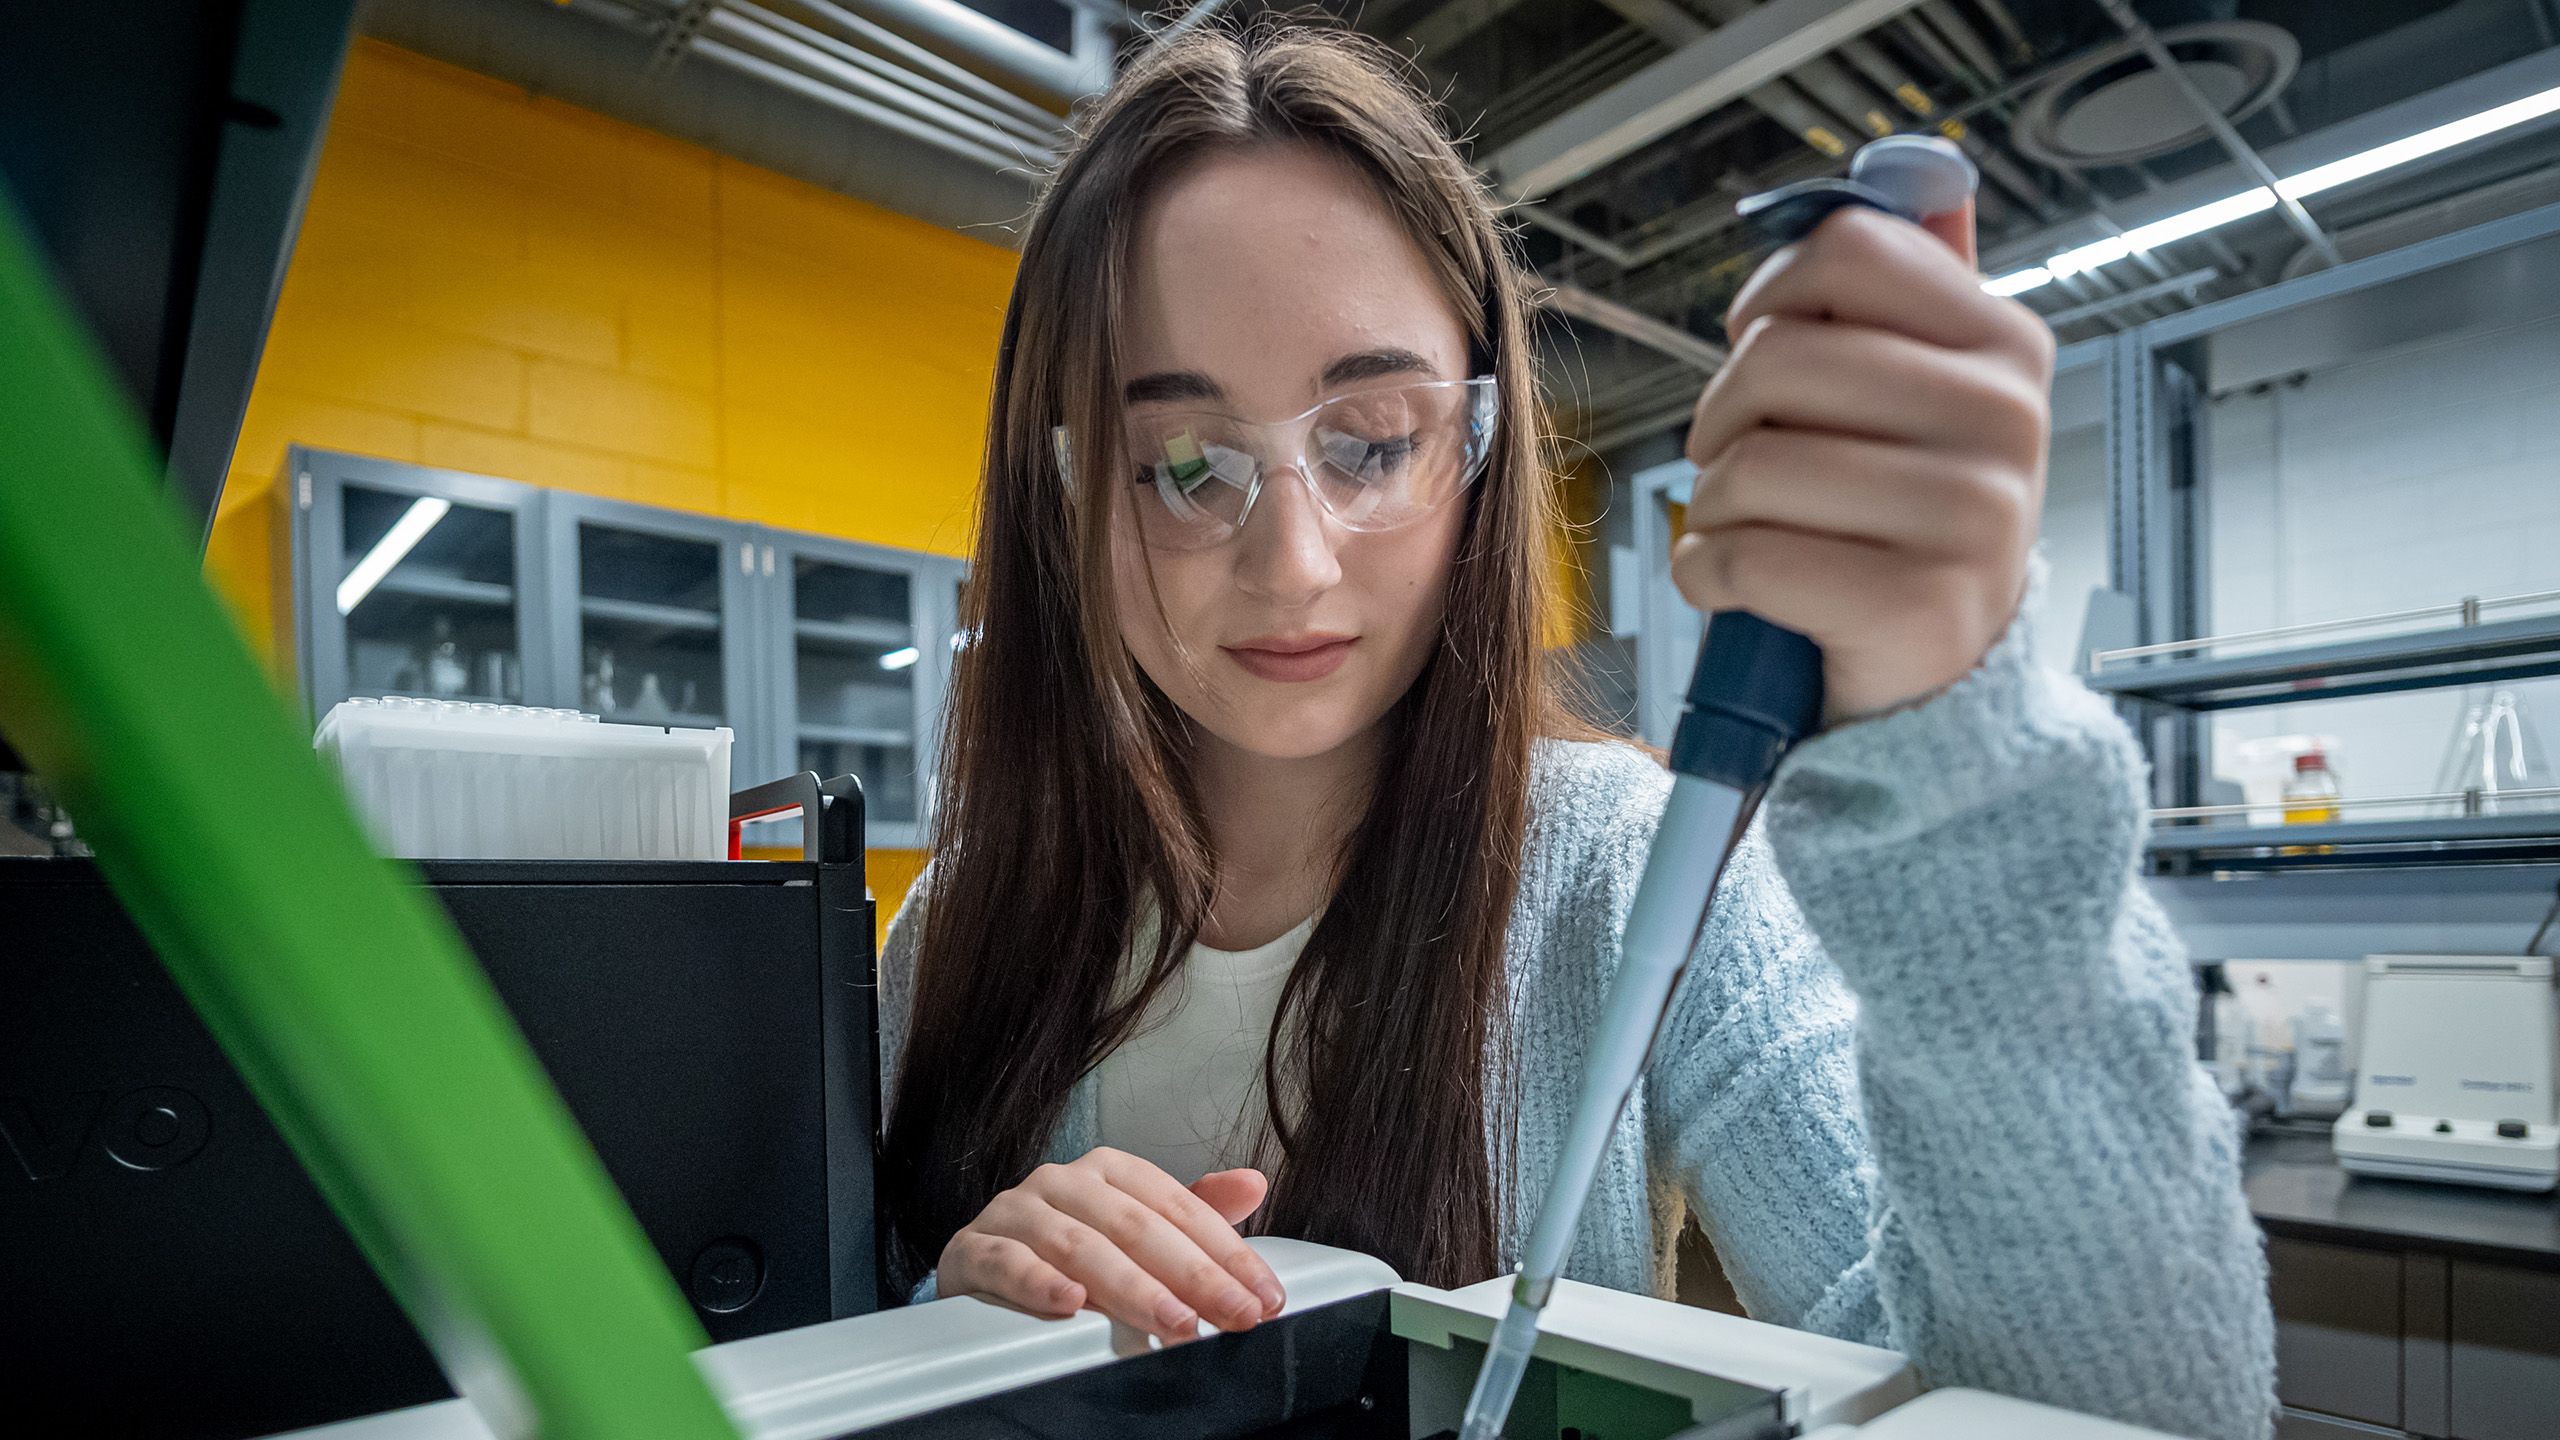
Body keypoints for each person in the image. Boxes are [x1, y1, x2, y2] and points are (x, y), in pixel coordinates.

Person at [876, 22, 2274, 1438]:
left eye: (1373, 440)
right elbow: (821, 1352)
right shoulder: (954, 929)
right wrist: (952, 1318)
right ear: (1062, 490)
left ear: (1478, 450)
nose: (1293, 562)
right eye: (1184, 466)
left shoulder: (1628, 878)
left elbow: (2113, 1409)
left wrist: (1955, 760)